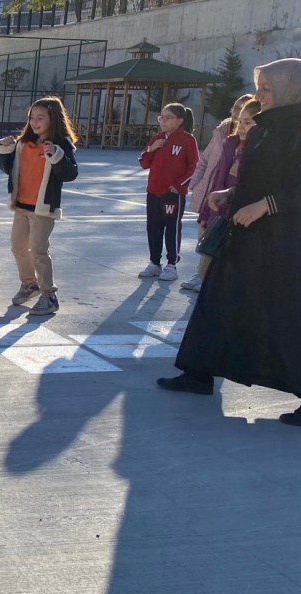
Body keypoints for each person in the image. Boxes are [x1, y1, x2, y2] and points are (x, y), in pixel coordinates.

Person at [156, 58, 301, 427]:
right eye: (260, 86)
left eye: (268, 88)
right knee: (217, 301)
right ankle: (198, 373)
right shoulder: (268, 126)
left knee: (284, 316)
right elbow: (267, 176)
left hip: (284, 240)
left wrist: (266, 206)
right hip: (245, 233)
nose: (259, 94)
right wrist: (233, 192)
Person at [0, 96, 80, 315]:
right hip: (22, 205)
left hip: (43, 208)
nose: (34, 122)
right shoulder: (24, 143)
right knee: (17, 247)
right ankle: (29, 284)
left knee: (38, 251)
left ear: (53, 119)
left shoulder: (61, 144)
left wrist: (57, 156)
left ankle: (49, 295)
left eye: (40, 118)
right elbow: (8, 169)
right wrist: (4, 150)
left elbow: (70, 174)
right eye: (32, 117)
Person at [181, 98, 260, 292]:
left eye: (247, 122)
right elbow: (210, 168)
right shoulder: (228, 143)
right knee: (208, 247)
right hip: (217, 209)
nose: (241, 126)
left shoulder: (258, 153)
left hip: (243, 219)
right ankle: (203, 279)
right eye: (240, 120)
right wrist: (203, 202)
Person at [137, 103, 200, 282]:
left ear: (180, 120)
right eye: (161, 117)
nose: (163, 121)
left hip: (172, 194)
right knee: (153, 227)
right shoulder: (157, 138)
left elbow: (194, 166)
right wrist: (152, 148)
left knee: (171, 228)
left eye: (168, 117)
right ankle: (154, 263)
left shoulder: (187, 140)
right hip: (153, 192)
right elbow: (143, 162)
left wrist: (180, 186)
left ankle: (172, 264)